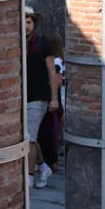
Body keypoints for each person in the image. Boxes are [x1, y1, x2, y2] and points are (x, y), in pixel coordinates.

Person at [25, 6, 60, 188]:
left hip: (38, 97)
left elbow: (52, 72)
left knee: (29, 138)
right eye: (23, 22)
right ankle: (43, 166)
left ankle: (30, 175)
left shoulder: (42, 43)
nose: (26, 26)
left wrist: (54, 98)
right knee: (28, 136)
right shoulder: (15, 43)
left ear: (34, 24)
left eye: (29, 22)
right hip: (20, 98)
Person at [37, 32, 65, 170]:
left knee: (51, 129)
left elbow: (58, 81)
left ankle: (50, 160)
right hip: (56, 97)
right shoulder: (59, 60)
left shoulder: (56, 61)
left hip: (54, 97)